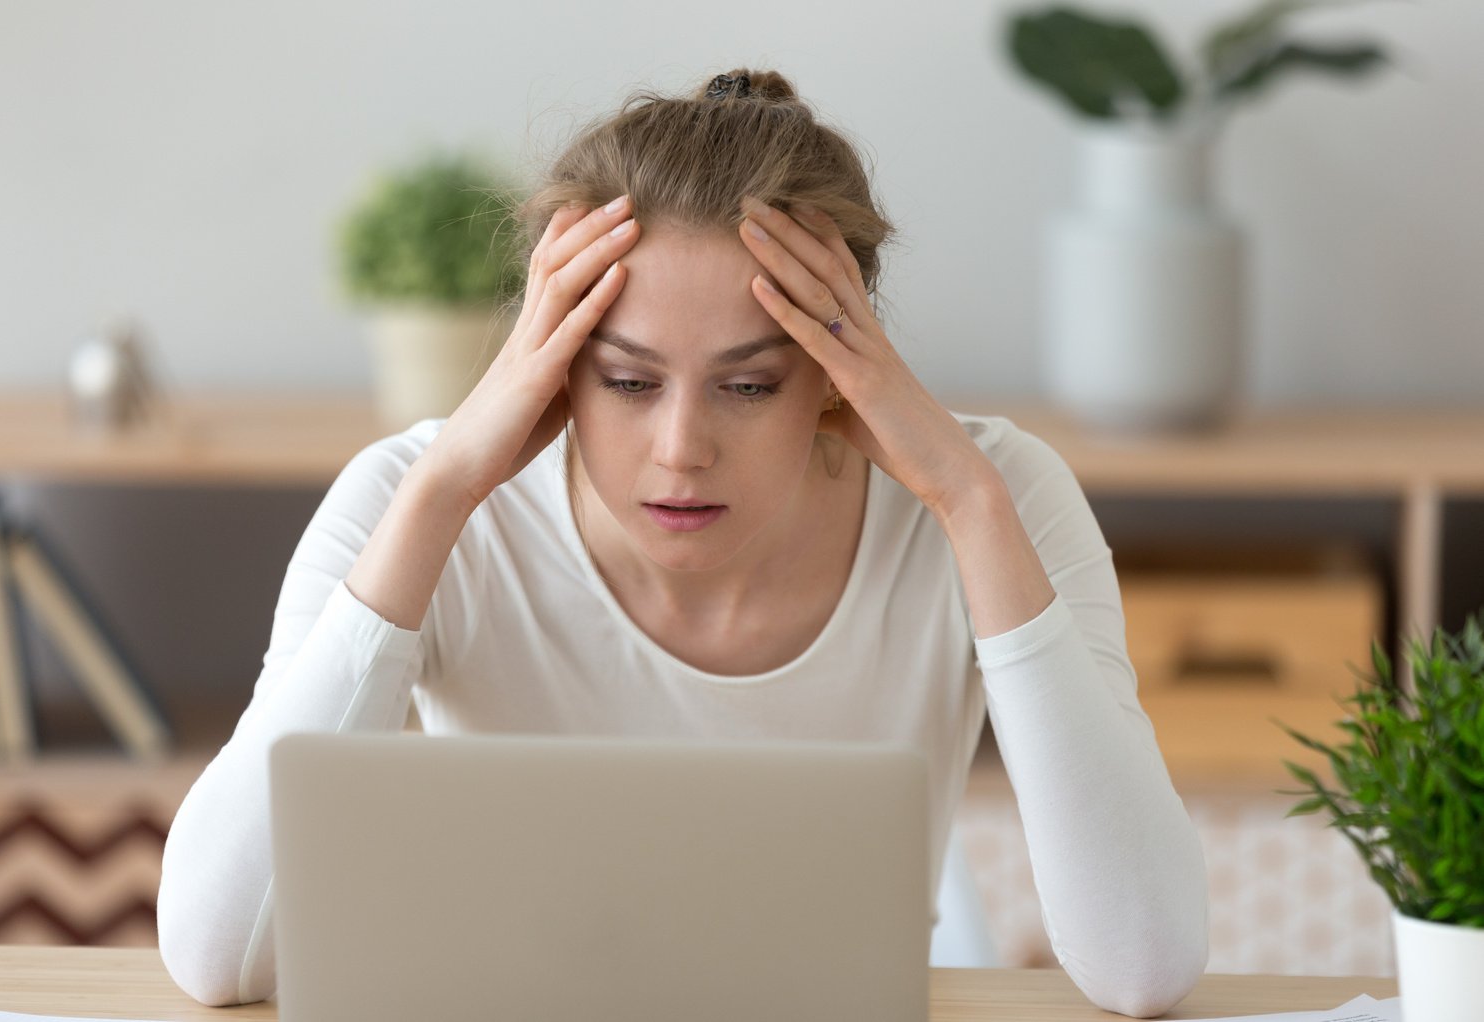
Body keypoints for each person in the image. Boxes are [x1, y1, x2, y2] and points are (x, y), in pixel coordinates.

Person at [156, 67, 1208, 1016]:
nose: (681, 449)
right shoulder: (413, 499)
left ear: (843, 367)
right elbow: (216, 955)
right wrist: (442, 491)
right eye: (625, 379)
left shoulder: (994, 496)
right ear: (551, 360)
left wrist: (971, 504)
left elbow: (1144, 963)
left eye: (750, 384)